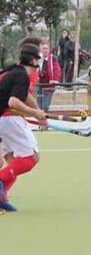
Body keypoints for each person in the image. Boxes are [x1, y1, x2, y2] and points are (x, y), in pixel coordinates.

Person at [0, 42, 48, 212]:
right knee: (31, 159)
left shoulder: (11, 71)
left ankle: (1, 197)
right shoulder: (22, 76)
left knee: (13, 161)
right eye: (38, 59)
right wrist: (35, 114)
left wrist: (37, 111)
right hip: (8, 119)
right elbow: (13, 101)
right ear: (33, 60)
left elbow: (25, 96)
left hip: (3, 120)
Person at [37, 41, 62, 112]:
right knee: (39, 105)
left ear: (49, 50)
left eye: (46, 48)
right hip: (39, 85)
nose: (45, 50)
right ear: (41, 49)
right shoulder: (39, 59)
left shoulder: (53, 58)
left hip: (48, 85)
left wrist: (55, 80)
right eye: (44, 48)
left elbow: (57, 70)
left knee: (45, 106)